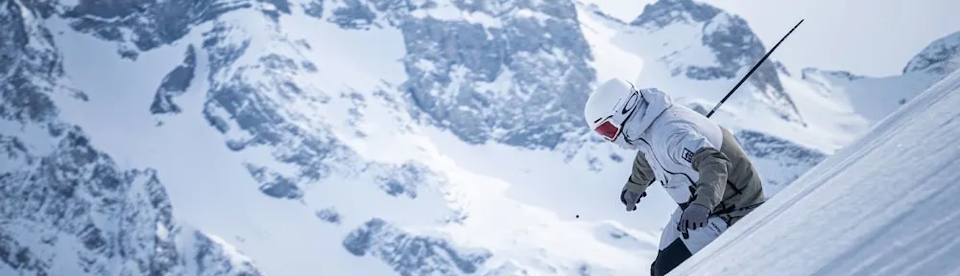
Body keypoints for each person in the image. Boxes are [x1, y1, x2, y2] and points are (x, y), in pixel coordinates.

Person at [583, 78, 766, 276]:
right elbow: (648, 152)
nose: (610, 139)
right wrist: (636, 185)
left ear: (622, 114)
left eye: (607, 131)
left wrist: (702, 205)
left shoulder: (670, 134)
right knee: (660, 266)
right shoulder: (649, 123)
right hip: (700, 203)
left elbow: (714, 163)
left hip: (732, 206)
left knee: (671, 269)